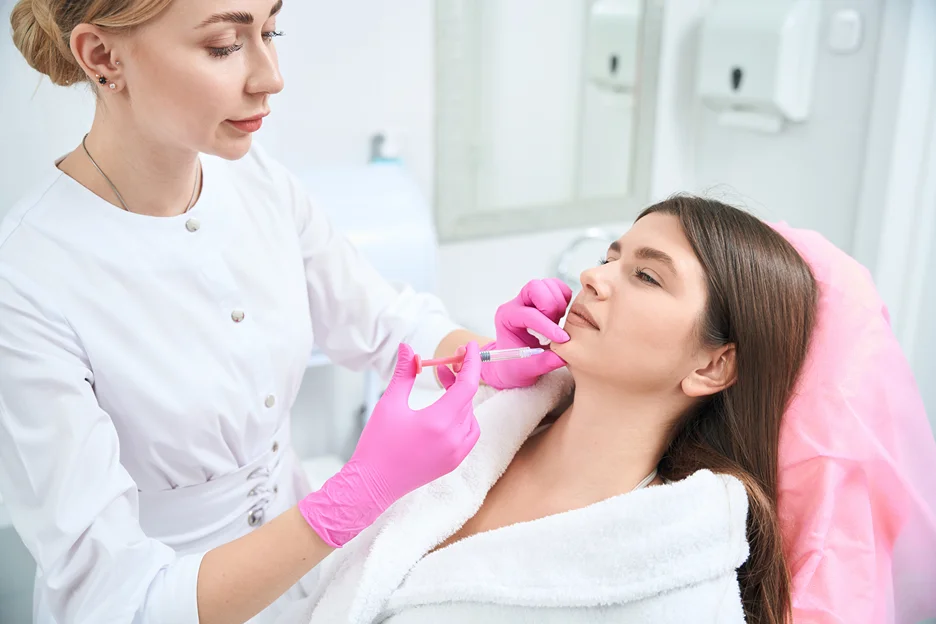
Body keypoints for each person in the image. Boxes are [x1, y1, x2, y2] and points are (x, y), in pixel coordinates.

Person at [0, 1, 573, 622]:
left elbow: (382, 323)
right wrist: (353, 498)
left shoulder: (259, 184)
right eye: (224, 45)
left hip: (315, 583)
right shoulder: (27, 281)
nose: (270, 76)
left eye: (270, 31)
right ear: (103, 56)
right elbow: (114, 600)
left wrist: (491, 355)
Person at [280, 196, 820, 624]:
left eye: (646, 276)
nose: (593, 277)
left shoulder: (673, 580)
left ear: (712, 367)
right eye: (611, 257)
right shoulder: (487, 426)